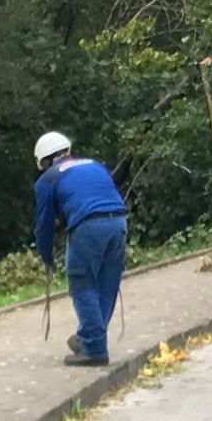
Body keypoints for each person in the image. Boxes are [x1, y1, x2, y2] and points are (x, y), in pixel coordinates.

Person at [33, 131, 128, 366]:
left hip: (88, 226)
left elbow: (44, 224)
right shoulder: (95, 165)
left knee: (82, 285)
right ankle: (89, 338)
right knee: (107, 286)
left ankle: (94, 349)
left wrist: (46, 257)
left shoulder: (47, 179)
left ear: (45, 160)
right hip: (119, 222)